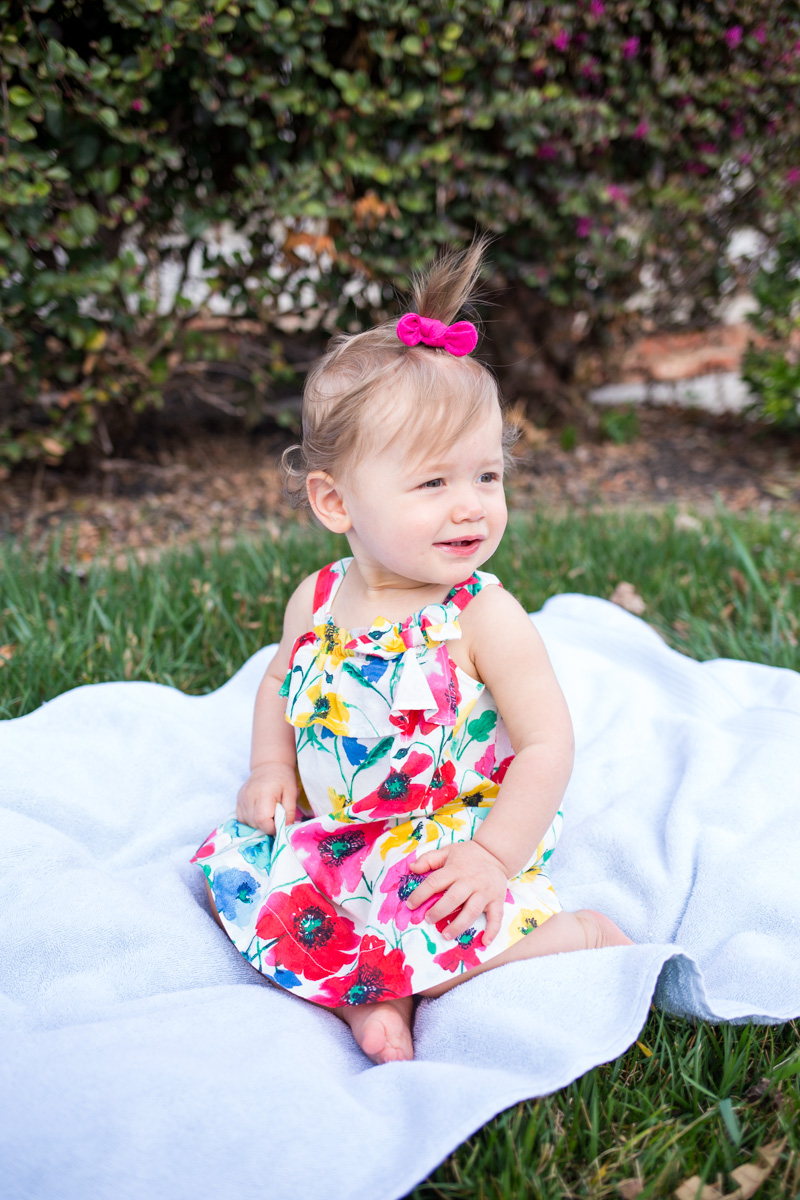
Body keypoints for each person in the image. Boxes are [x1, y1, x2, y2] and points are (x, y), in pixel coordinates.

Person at [192, 238, 631, 1064]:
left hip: (447, 840)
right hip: (344, 835)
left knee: (440, 931)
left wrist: (491, 857)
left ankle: (573, 936)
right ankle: (373, 996)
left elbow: (547, 744)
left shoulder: (482, 617)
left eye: (487, 476)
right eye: (434, 483)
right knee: (261, 894)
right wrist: (270, 766)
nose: (471, 506)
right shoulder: (318, 599)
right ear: (335, 503)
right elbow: (281, 682)